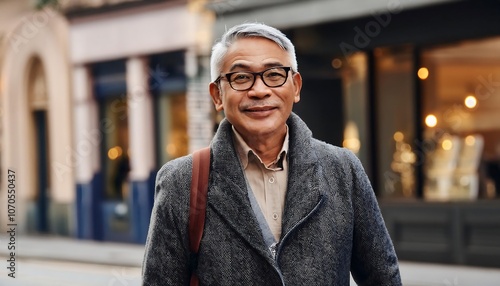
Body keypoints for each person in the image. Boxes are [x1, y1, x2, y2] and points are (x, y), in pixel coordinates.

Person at [142, 22, 402, 285]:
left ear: (296, 87)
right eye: (241, 77)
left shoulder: (343, 169)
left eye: (274, 74)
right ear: (217, 95)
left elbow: (383, 277)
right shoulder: (181, 182)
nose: (260, 90)